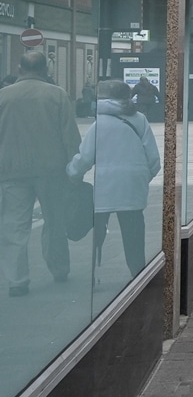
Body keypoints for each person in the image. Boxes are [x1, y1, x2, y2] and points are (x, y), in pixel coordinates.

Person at [0, 50, 80, 294]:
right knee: (54, 220)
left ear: (19, 69)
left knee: (14, 225)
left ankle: (17, 280)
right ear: (46, 70)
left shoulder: (3, 96)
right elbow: (70, 136)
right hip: (51, 170)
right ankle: (59, 268)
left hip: (12, 171)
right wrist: (74, 170)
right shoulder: (56, 95)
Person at [66, 80, 159, 280]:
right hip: (132, 186)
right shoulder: (140, 119)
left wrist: (72, 174)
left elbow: (84, 158)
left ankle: (95, 272)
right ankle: (138, 274)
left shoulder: (99, 124)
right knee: (133, 232)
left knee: (98, 231)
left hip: (105, 186)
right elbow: (153, 159)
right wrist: (141, 176)